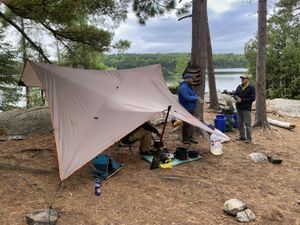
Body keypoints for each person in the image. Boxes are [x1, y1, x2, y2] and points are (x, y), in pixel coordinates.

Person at [178, 73, 203, 145]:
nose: (193, 80)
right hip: (186, 109)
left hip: (191, 108)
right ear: (187, 79)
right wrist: (196, 98)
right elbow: (187, 98)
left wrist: (196, 97)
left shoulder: (189, 86)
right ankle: (185, 139)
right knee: (186, 125)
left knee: (191, 124)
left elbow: (192, 95)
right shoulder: (183, 87)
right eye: (192, 79)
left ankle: (190, 137)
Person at [234, 74, 256, 143]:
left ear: (247, 79)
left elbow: (252, 98)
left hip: (246, 108)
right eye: (241, 79)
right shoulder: (239, 86)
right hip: (239, 108)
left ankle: (249, 138)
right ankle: (242, 136)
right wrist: (236, 97)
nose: (242, 80)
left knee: (247, 124)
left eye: (243, 78)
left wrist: (242, 100)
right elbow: (235, 94)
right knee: (240, 123)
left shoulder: (251, 87)